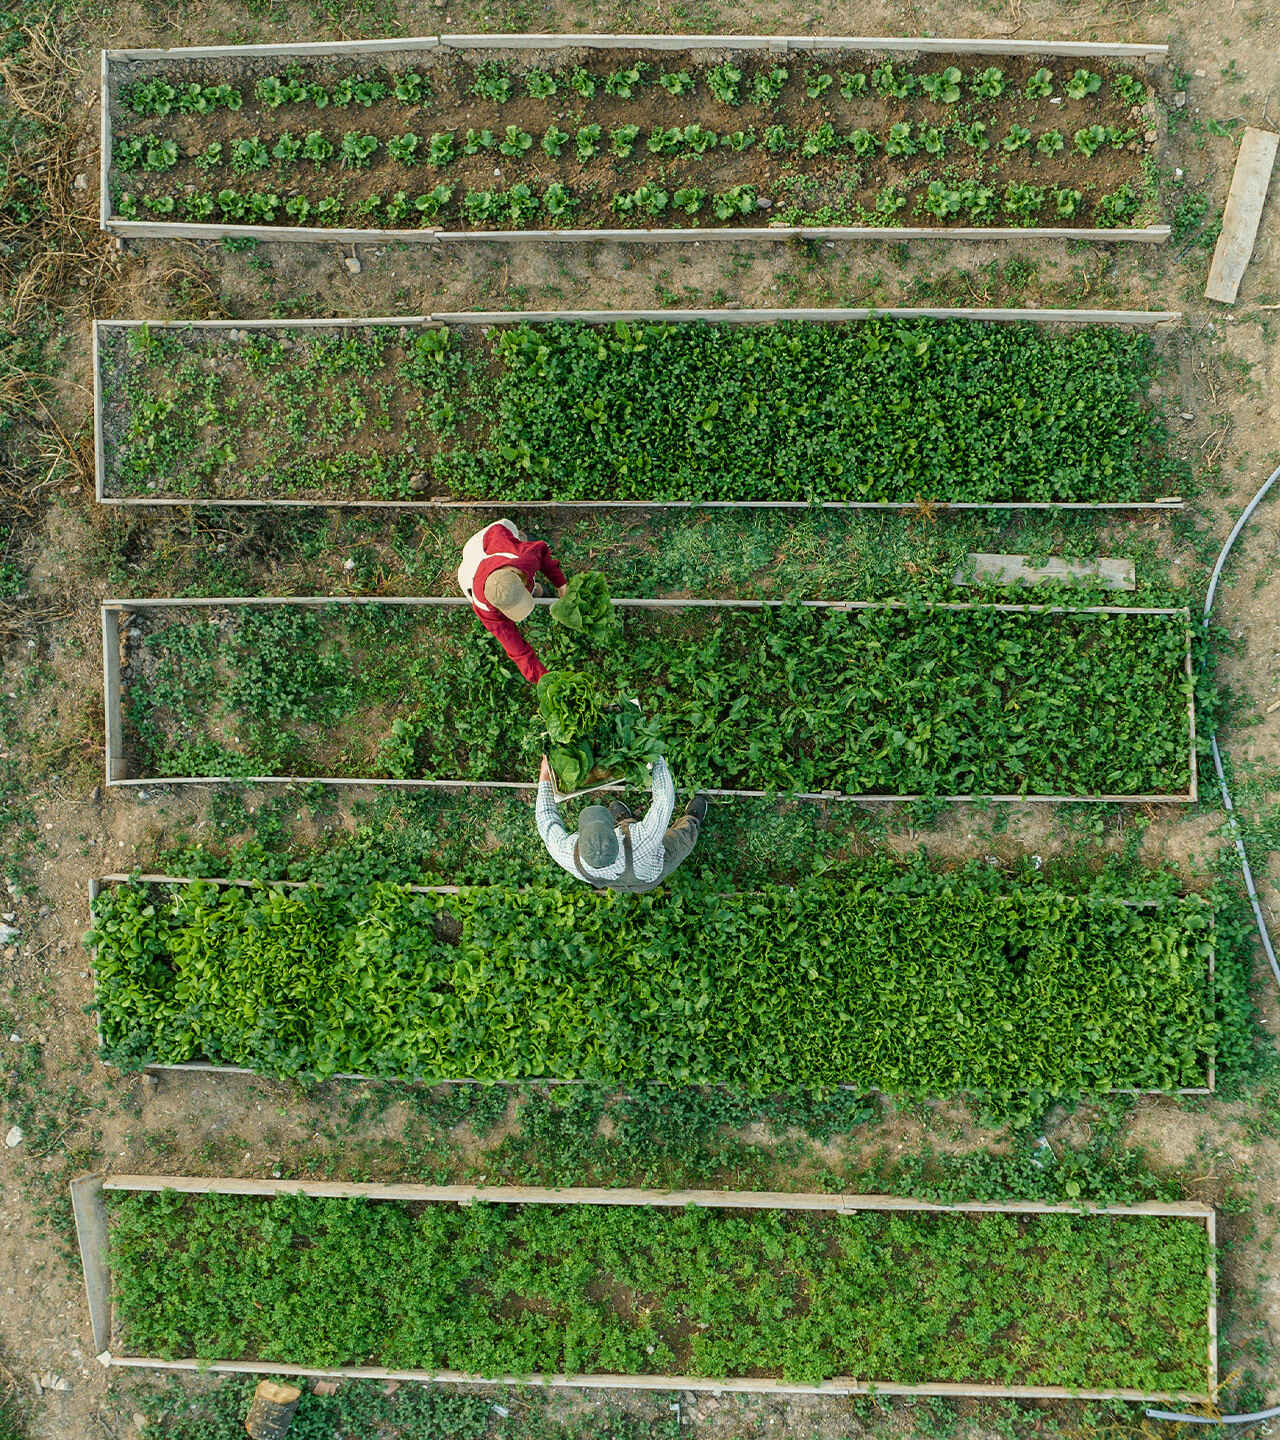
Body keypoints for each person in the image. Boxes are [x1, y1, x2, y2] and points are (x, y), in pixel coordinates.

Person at [536, 753, 707, 892]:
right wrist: (657, 759)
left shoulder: (567, 855)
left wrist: (545, 778)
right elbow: (664, 801)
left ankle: (626, 821)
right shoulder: (644, 840)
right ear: (612, 831)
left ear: (580, 839)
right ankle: (692, 820)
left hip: (615, 881)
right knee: (679, 840)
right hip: (649, 874)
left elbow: (546, 820)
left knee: (629, 830)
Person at [457, 518, 568, 683]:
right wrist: (545, 681)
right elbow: (518, 650)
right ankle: (536, 590)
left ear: (518, 576)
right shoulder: (485, 608)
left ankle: (535, 587)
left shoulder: (523, 557)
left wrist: (561, 584)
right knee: (532, 588)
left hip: (490, 537)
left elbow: (542, 553)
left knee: (520, 537)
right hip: (471, 562)